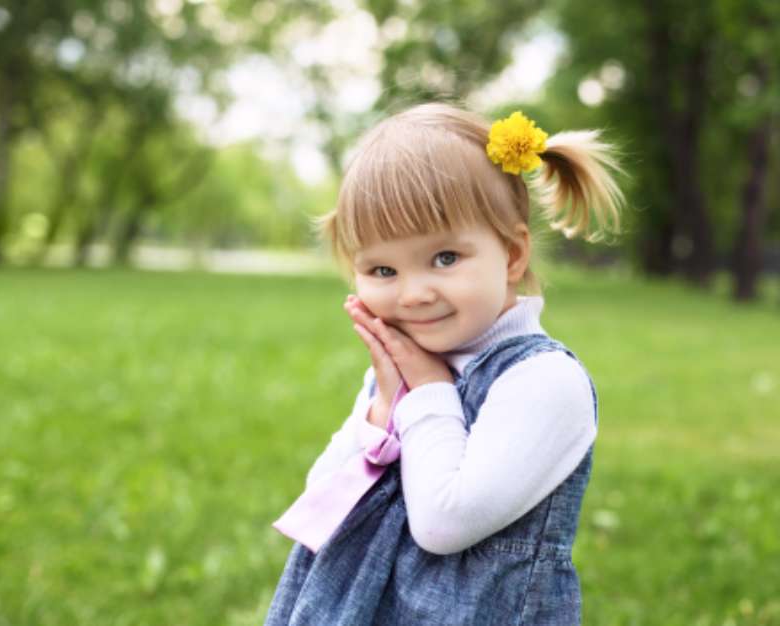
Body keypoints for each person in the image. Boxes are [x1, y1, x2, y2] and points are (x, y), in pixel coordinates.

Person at [265, 102, 627, 625]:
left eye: (444, 259)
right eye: (383, 269)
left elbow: (443, 525)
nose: (413, 294)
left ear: (512, 255)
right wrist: (387, 402)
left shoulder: (545, 381)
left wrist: (428, 390)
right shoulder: (402, 373)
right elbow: (323, 500)